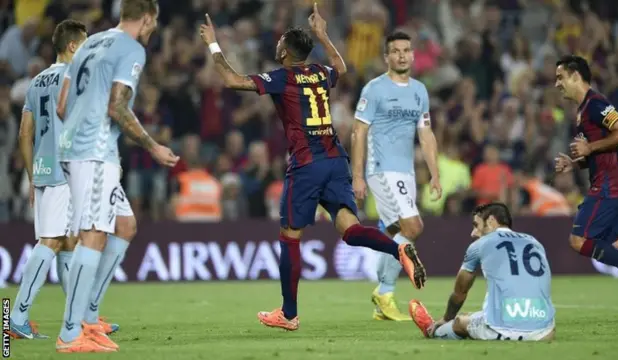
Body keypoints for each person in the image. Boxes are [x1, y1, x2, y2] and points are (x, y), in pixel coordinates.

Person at [199, 3, 427, 332]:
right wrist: (323, 34)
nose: (276, 46)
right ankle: (398, 249)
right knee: (349, 229)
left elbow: (233, 80)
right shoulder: (320, 72)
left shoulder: (282, 78)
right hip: (336, 160)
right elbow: (342, 67)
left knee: (290, 237)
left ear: (285, 53)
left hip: (307, 164)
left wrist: (213, 44)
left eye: (279, 43)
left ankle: (289, 314)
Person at [56, 0, 179, 353]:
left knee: (125, 226)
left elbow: (64, 105)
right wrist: (154, 146)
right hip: (93, 153)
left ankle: (90, 317)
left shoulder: (92, 41)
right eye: (154, 22)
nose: (154, 28)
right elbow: (117, 106)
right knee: (93, 234)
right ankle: (70, 332)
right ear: (147, 17)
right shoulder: (131, 48)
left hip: (80, 147)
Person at [9, 19, 117, 340]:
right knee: (53, 242)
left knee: (68, 243)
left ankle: (83, 318)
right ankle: (16, 316)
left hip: (43, 171)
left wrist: (31, 177)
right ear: (72, 46)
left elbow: (24, 133)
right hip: (66, 171)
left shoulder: (36, 81)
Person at [351, 31, 441, 321]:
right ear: (386, 57)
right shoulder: (374, 89)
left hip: (406, 172)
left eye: (406, 50)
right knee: (413, 227)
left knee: (394, 233)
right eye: (395, 51)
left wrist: (435, 174)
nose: (402, 55)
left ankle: (382, 304)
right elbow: (358, 132)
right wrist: (358, 176)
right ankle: (385, 290)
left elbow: (426, 134)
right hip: (381, 168)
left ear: (413, 55)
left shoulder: (419, 91)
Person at [553, 55, 618, 321]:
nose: (557, 84)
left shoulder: (596, 103)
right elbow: (606, 150)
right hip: (615, 181)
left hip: (609, 185)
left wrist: (589, 147)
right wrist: (576, 164)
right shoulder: (582, 112)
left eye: (560, 77)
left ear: (576, 76)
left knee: (578, 241)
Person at [409, 203, 556, 341]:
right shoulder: (534, 242)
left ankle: (432, 330)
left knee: (460, 321)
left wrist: (447, 318)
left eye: (476, 225)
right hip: (544, 330)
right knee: (475, 315)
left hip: (502, 328)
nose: (473, 233)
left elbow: (460, 293)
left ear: (491, 221)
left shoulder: (479, 245)